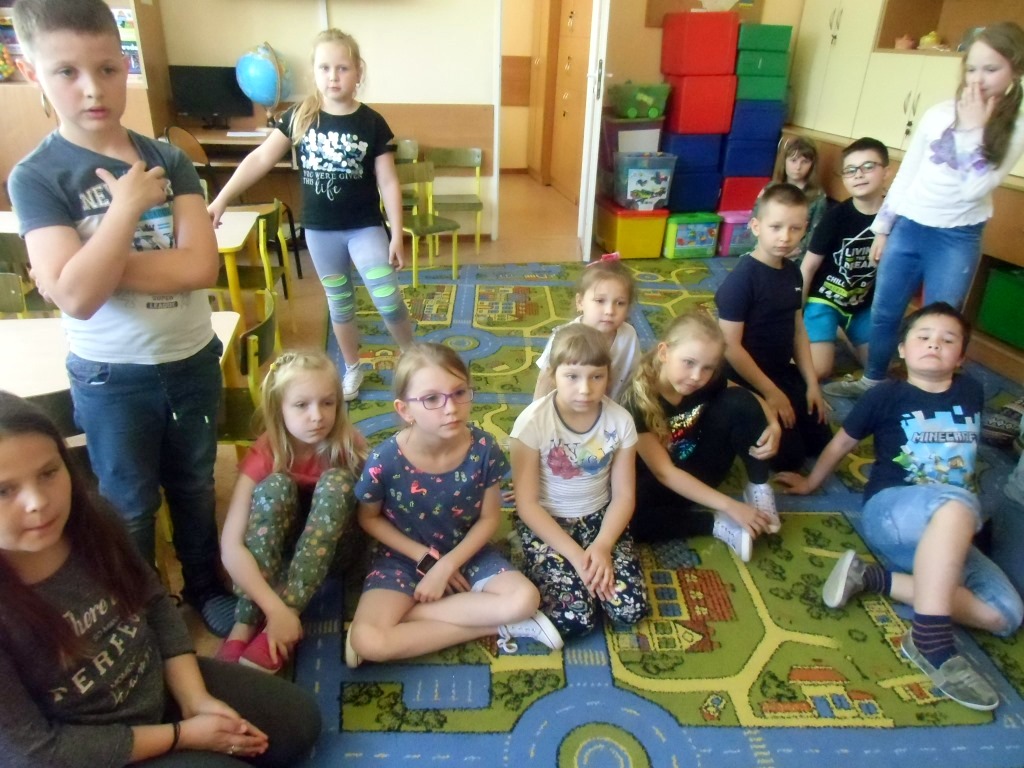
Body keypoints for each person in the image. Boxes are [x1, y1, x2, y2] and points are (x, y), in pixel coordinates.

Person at [8, 0, 234, 636]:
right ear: (33, 72)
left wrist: (86, 266)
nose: (92, 89)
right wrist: (126, 209)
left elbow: (198, 267)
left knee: (193, 483)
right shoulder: (36, 176)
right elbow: (78, 300)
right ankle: (141, 605)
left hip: (190, 359)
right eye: (67, 72)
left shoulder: (169, 158)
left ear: (125, 64)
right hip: (111, 375)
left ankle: (204, 583)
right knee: (129, 502)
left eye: (108, 69)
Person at [0, 391, 321, 767]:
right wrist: (183, 735)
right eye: (4, 490)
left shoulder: (94, 522)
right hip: (96, 749)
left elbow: (153, 601)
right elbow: (37, 751)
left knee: (299, 722)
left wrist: (195, 698)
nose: (37, 502)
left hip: (157, 684)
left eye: (48, 473)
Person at [777, 303, 1024, 712]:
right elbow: (842, 443)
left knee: (1006, 614)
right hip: (892, 514)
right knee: (959, 502)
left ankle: (873, 578)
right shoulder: (885, 396)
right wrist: (810, 482)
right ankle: (930, 642)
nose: (934, 345)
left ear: (961, 357)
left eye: (947, 340)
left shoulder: (971, 391)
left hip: (950, 529)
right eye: (923, 337)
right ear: (903, 349)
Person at [208, 28, 414, 402]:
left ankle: (413, 359)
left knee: (386, 296)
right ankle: (352, 366)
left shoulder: (371, 122)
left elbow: (388, 181)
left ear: (358, 71)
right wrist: (221, 199)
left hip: (365, 227)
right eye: (324, 68)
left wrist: (397, 233)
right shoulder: (300, 116)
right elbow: (260, 158)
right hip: (320, 232)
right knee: (340, 302)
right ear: (314, 72)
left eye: (342, 68)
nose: (333, 76)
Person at [826, 22, 1024, 399]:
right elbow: (908, 175)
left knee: (940, 325)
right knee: (885, 311)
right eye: (972, 68)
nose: (978, 79)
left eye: (991, 69)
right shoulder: (938, 114)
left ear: (1015, 70)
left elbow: (974, 189)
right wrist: (883, 227)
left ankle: (925, 393)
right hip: (909, 227)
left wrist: (973, 131)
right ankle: (872, 381)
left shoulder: (1014, 128)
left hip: (956, 237)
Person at [347, 343, 561, 666]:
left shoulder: (484, 448)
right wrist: (425, 560)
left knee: (525, 598)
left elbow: (489, 519)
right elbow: (369, 519)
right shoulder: (384, 459)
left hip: (468, 551)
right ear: (404, 410)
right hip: (403, 557)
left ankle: (409, 617)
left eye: (459, 392)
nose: (451, 408)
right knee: (368, 642)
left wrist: (446, 566)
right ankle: (495, 624)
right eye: (432, 399)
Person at [218, 351, 365, 673]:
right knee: (275, 486)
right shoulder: (266, 453)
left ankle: (290, 611)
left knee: (337, 482)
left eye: (327, 403)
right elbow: (231, 545)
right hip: (282, 556)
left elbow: (374, 514)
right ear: (278, 408)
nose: (317, 416)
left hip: (334, 554)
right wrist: (272, 609)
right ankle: (245, 623)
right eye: (301, 405)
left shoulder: (347, 445)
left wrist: (285, 611)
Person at [511, 324, 648, 638]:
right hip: (549, 523)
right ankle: (527, 552)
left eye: (596, 377)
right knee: (575, 621)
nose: (585, 389)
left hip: (600, 520)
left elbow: (624, 495)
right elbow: (527, 505)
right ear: (553, 375)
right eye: (572, 376)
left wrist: (602, 545)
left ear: (608, 376)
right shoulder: (531, 424)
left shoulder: (621, 421)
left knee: (630, 610)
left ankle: (583, 569)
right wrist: (576, 556)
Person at [621, 312, 780, 562]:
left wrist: (773, 423)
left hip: (702, 464)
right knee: (623, 520)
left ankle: (759, 487)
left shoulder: (705, 380)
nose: (697, 376)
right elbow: (665, 473)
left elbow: (747, 397)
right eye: (688, 362)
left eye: (707, 368)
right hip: (662, 481)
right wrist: (729, 506)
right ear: (664, 353)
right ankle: (715, 523)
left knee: (739, 401)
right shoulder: (635, 401)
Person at [715, 183, 832, 472]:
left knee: (821, 440)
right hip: (743, 380)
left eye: (795, 228)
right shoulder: (741, 281)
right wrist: (770, 393)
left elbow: (797, 329)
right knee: (789, 459)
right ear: (756, 227)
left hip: (780, 372)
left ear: (805, 229)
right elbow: (730, 347)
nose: (785, 237)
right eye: (776, 227)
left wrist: (812, 384)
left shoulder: (793, 272)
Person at [800, 137, 890, 380]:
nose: (858, 175)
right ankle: (830, 329)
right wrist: (796, 313)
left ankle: (843, 332)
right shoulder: (835, 217)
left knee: (877, 369)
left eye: (868, 166)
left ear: (886, 172)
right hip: (825, 300)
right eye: (850, 170)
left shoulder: (895, 218)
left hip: (862, 305)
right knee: (819, 370)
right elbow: (808, 267)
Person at [533, 255, 640, 403]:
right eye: (600, 301)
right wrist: (537, 411)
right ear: (580, 302)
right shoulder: (564, 337)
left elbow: (634, 378)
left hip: (610, 409)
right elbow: (545, 380)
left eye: (620, 303)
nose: (610, 311)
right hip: (571, 406)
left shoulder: (629, 336)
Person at [765, 136, 827, 260]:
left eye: (805, 162)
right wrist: (765, 245)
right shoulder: (772, 188)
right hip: (768, 246)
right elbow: (757, 216)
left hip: (796, 254)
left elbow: (815, 233)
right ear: (785, 161)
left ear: (812, 165)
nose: (798, 167)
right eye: (793, 160)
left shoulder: (818, 196)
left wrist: (795, 249)